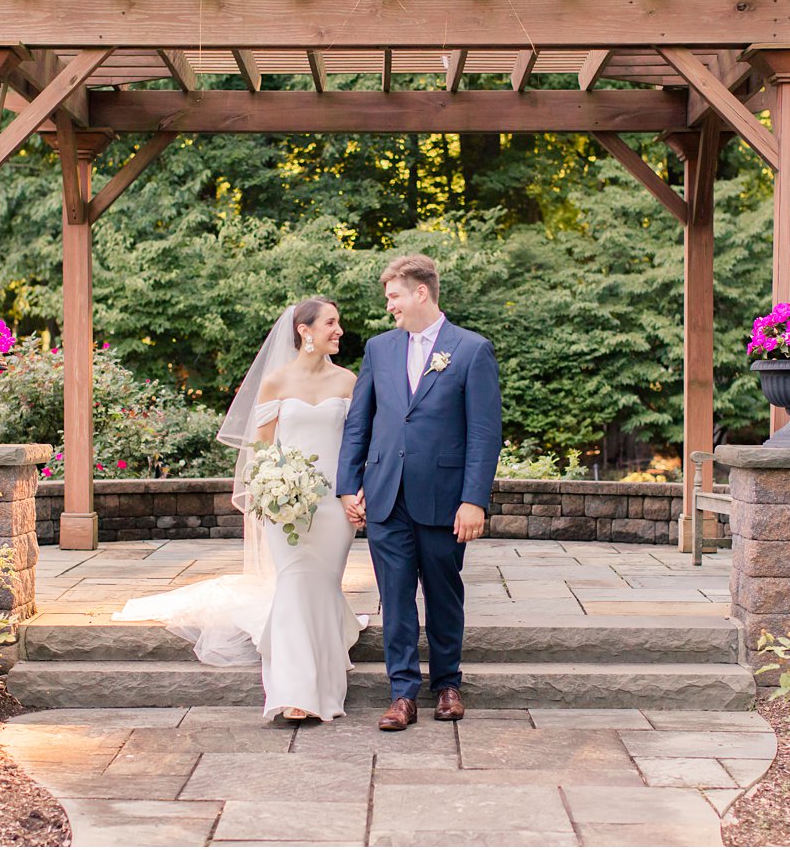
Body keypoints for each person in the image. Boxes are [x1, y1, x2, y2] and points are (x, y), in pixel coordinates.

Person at [116, 298, 365, 721]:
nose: (339, 330)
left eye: (337, 323)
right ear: (304, 331)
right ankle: (295, 692)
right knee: (293, 585)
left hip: (332, 507)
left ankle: (325, 684)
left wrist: (355, 492)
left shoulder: (349, 382)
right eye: (331, 322)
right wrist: (274, 490)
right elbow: (262, 451)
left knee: (322, 586)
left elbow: (357, 445)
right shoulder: (276, 382)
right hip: (287, 503)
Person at [336, 254, 503, 732]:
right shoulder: (378, 349)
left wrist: (474, 499)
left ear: (420, 292)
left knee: (445, 594)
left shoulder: (471, 350)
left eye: (394, 296)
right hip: (386, 494)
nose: (389, 306)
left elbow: (484, 433)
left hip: (445, 499)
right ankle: (402, 693)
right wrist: (349, 485)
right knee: (395, 595)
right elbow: (359, 422)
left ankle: (448, 684)